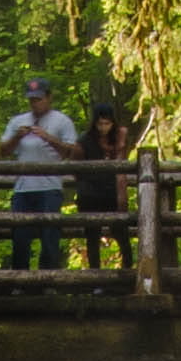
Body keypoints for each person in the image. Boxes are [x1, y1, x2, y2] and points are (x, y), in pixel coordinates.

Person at [0, 73, 74, 271]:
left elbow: (70, 152)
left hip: (50, 188)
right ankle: (20, 279)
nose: (35, 104)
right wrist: (17, 137)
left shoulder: (62, 121)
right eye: (32, 100)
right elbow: (3, 151)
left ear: (49, 97)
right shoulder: (18, 121)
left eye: (39, 99)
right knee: (20, 238)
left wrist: (49, 138)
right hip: (22, 188)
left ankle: (48, 278)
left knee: (50, 238)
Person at [75, 98, 135, 274]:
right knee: (92, 236)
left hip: (111, 192)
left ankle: (127, 270)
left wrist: (121, 194)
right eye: (100, 124)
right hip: (90, 194)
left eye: (107, 123)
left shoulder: (118, 138)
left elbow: (121, 163)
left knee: (120, 231)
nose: (103, 128)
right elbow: (77, 166)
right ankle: (95, 275)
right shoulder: (85, 140)